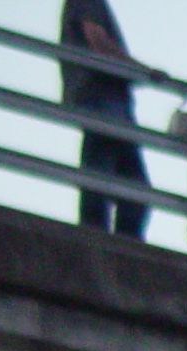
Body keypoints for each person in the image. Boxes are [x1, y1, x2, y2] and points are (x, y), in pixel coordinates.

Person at [61, 0, 164, 239]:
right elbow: (98, 42)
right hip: (102, 95)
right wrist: (142, 71)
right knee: (115, 180)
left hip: (104, 97)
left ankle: (107, 241)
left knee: (121, 182)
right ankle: (102, 241)